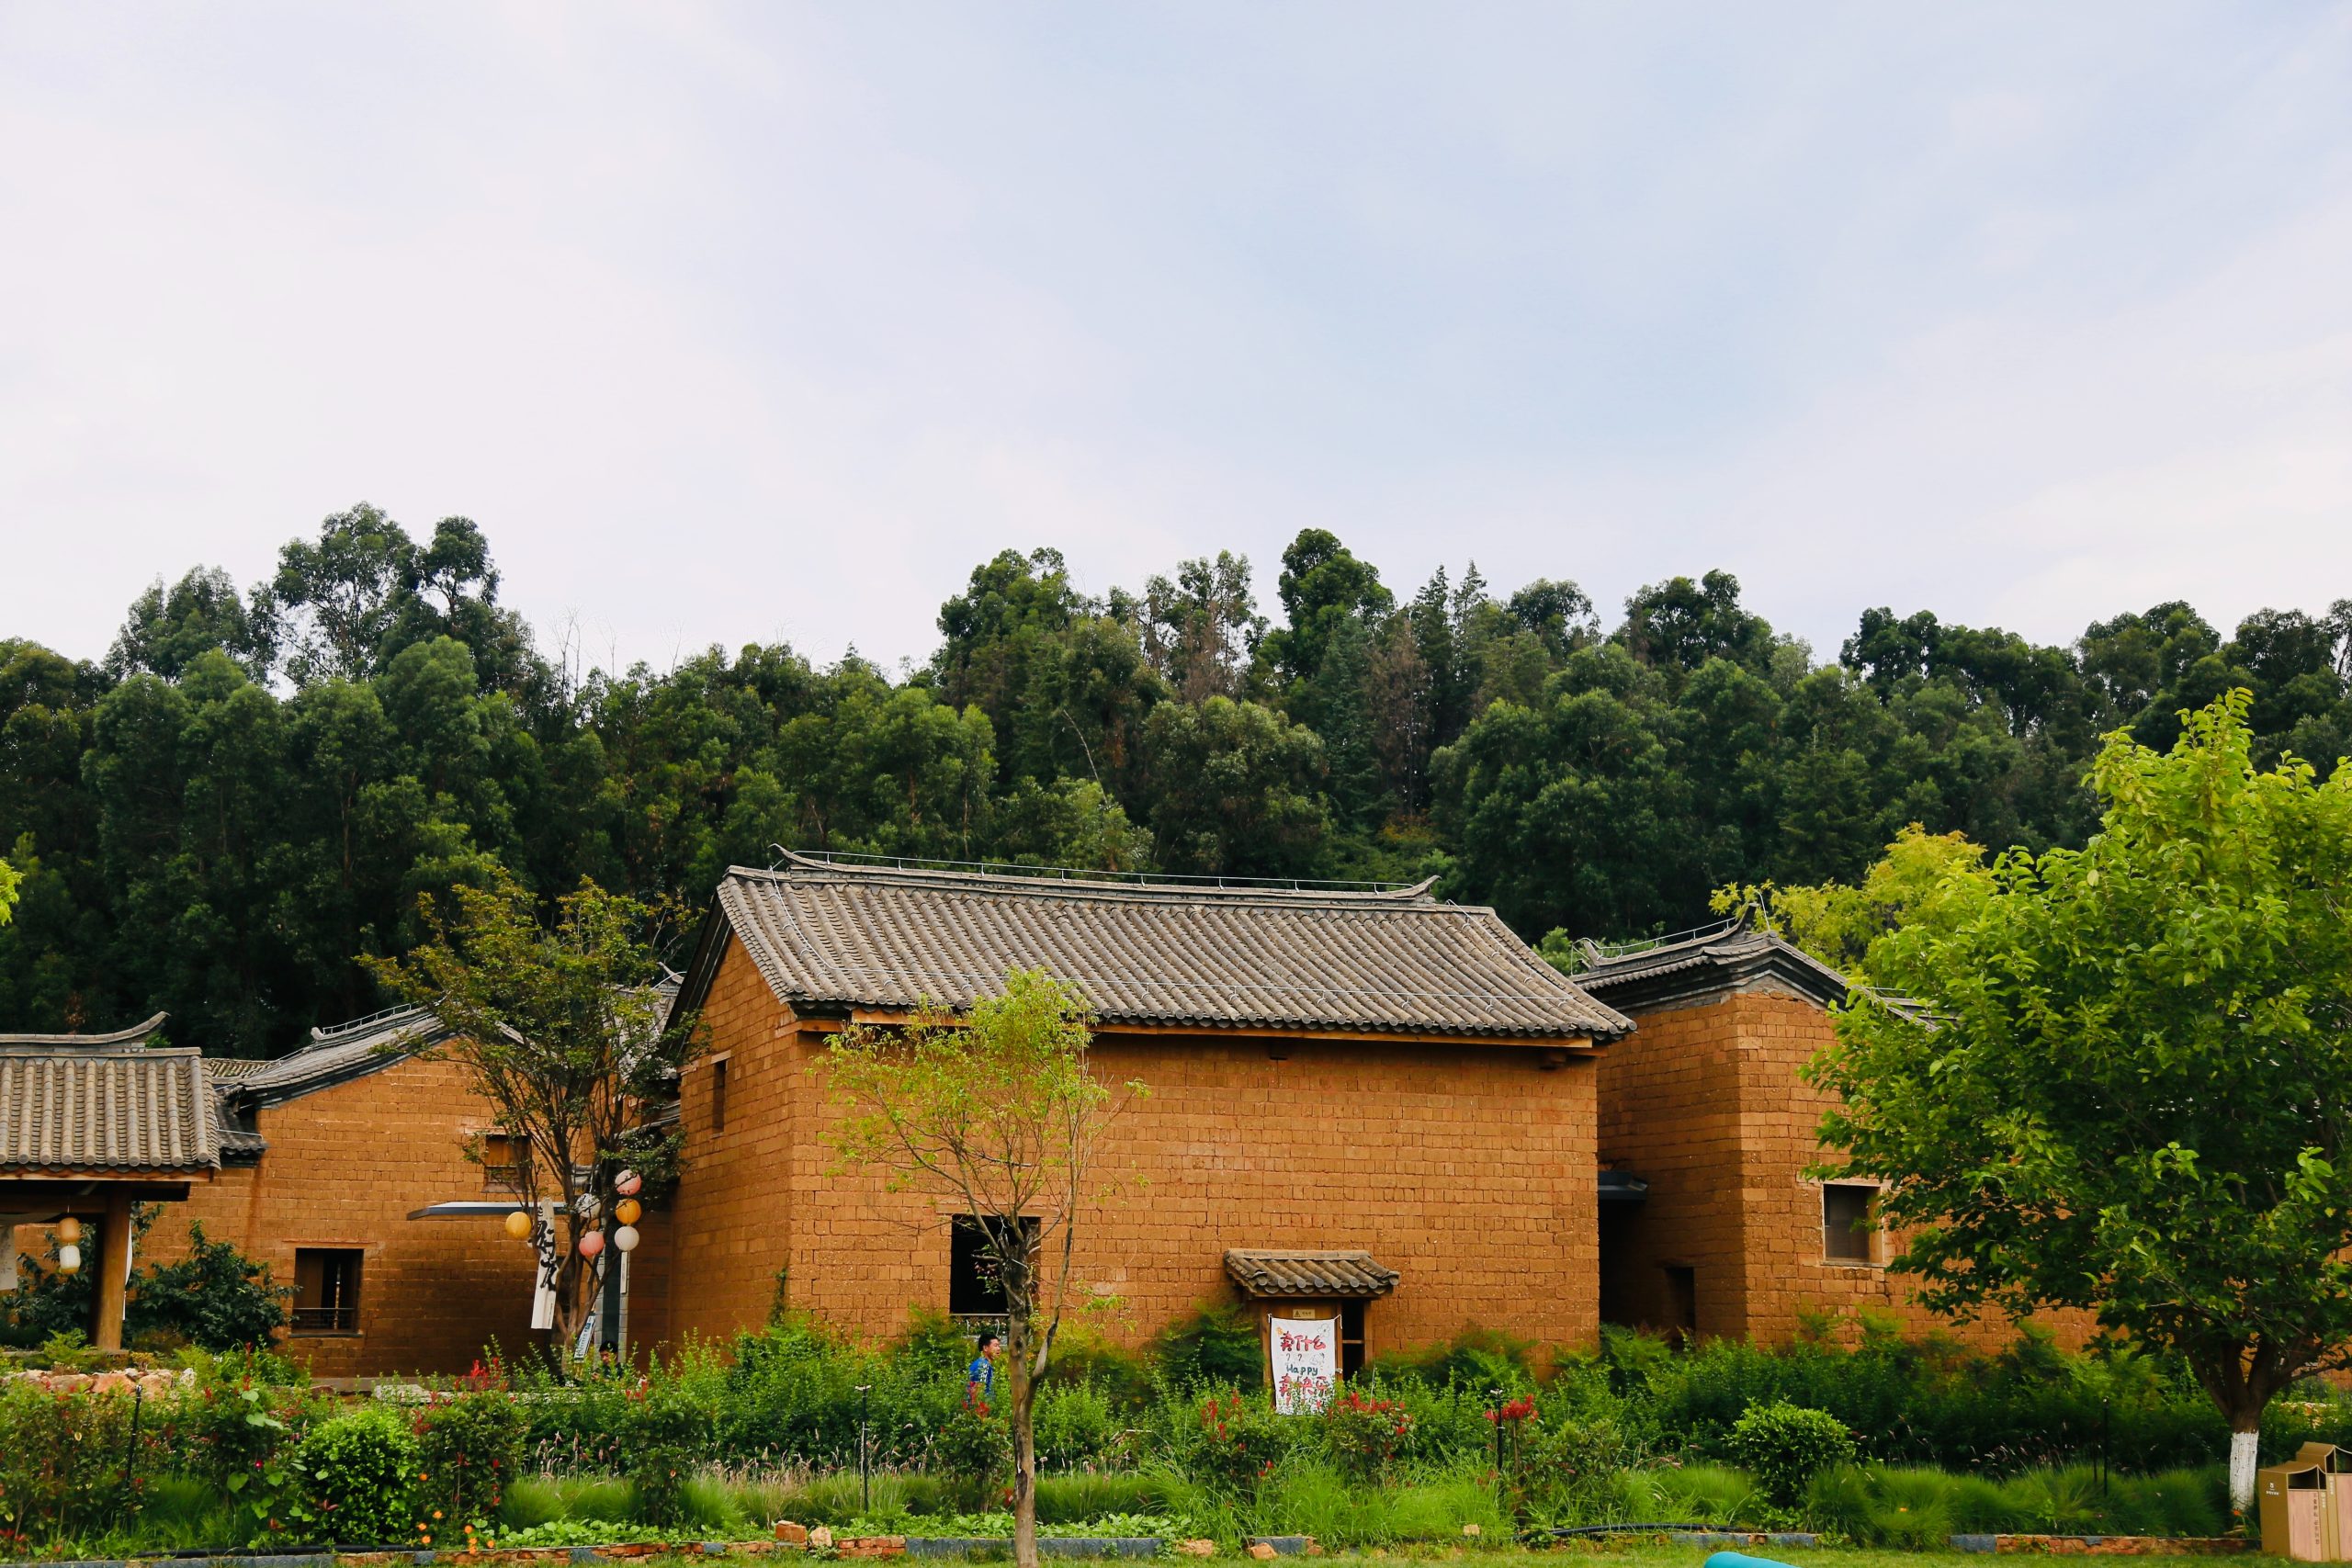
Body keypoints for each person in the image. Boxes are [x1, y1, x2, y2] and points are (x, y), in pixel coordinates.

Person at [966, 1330, 1001, 1409]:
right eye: (995, 1345)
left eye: (999, 1345)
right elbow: (977, 1391)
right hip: (980, 1413)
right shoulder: (983, 1365)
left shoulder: (982, 1363)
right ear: (985, 1348)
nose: (999, 1348)